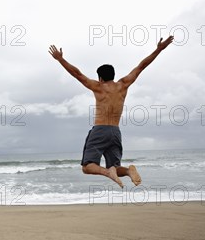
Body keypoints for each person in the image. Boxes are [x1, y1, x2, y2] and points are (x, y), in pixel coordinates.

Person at [48, 36, 174, 187]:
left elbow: (77, 74)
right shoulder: (124, 85)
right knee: (115, 166)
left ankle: (108, 173)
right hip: (115, 132)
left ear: (100, 78)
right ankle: (128, 171)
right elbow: (141, 66)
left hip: (100, 130)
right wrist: (159, 49)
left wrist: (60, 59)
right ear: (113, 75)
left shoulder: (98, 87)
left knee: (87, 167)